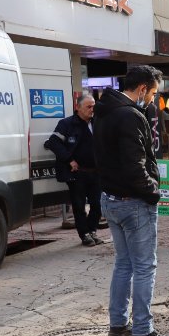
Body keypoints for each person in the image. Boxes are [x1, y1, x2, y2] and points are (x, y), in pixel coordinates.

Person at [94, 65, 169, 336]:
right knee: (143, 267)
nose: (153, 99)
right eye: (152, 93)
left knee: (124, 264)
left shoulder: (104, 112)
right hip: (133, 203)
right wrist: (153, 193)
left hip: (111, 200)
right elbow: (135, 165)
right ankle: (142, 332)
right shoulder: (130, 115)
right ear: (141, 89)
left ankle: (118, 325)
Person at [44, 94, 104, 247]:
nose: (92, 110)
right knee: (79, 206)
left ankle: (92, 230)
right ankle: (84, 234)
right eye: (88, 107)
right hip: (77, 173)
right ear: (78, 107)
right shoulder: (67, 124)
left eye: (93, 106)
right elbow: (53, 142)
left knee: (97, 204)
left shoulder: (97, 122)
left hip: (96, 172)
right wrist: (69, 160)